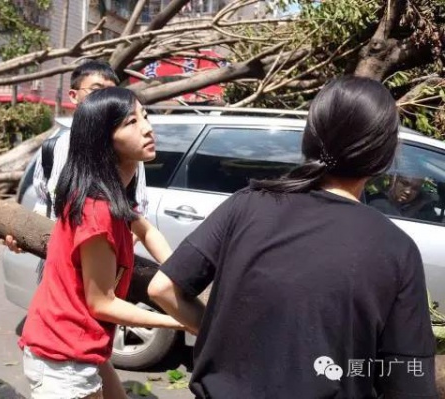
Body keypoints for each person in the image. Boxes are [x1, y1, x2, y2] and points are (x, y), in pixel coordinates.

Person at [147, 76, 438, 398]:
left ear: (309, 138)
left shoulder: (247, 204)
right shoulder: (395, 247)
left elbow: (163, 288)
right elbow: (409, 383)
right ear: (385, 153)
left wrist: (219, 335)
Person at [19, 87, 185, 399]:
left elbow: (148, 232)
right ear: (102, 139)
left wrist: (180, 277)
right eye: (130, 122)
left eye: (145, 116)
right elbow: (102, 302)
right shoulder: (97, 210)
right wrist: (180, 321)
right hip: (63, 357)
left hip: (83, 346)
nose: (148, 127)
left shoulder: (113, 196)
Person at [5, 60, 148, 254]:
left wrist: (111, 254)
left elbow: (139, 213)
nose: (103, 101)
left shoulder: (126, 149)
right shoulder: (52, 148)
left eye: (110, 93)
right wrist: (24, 237)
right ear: (73, 95)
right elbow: (45, 204)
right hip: (57, 260)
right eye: (96, 91)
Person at [367, 173, 441, 223]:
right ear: (394, 180)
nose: (408, 191)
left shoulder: (409, 207)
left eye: (415, 189)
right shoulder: (379, 203)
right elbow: (399, 224)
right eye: (405, 183)